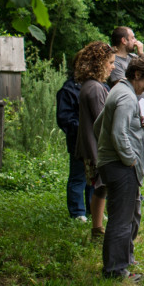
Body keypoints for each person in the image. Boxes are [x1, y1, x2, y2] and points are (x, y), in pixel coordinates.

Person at [94, 53, 144, 282]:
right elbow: (117, 132)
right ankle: (115, 271)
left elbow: (98, 126)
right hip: (120, 167)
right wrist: (130, 160)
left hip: (113, 163)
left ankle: (124, 263)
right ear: (136, 74)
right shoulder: (125, 96)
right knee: (121, 220)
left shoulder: (119, 90)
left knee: (126, 216)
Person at [74, 41, 116, 240]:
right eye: (110, 62)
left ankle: (97, 228)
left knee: (101, 187)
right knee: (103, 186)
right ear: (99, 63)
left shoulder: (90, 86)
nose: (113, 67)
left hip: (93, 147)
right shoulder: (95, 89)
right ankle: (98, 229)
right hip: (97, 149)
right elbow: (103, 121)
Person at [55, 55, 89, 221]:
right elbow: (64, 119)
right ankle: (77, 212)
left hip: (95, 140)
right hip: (78, 141)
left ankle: (92, 207)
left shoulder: (99, 85)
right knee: (78, 176)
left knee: (94, 176)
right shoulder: (68, 90)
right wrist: (83, 128)